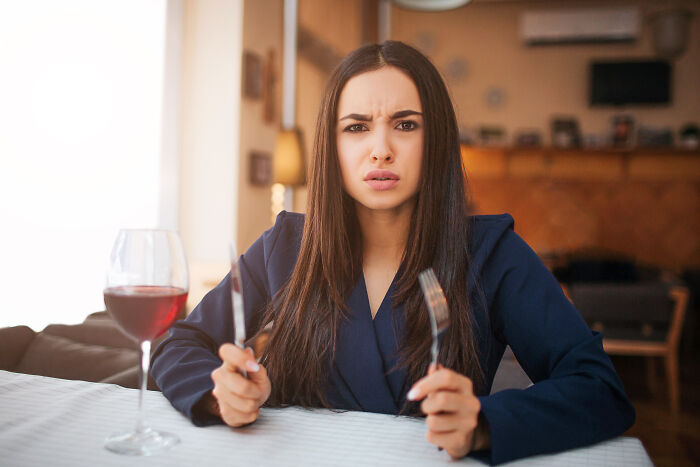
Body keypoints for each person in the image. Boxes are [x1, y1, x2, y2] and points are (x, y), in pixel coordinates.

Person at [151, 41, 634, 464]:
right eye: (357, 128)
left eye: (405, 125)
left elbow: (599, 387)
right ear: (331, 147)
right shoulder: (286, 244)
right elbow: (177, 344)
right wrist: (219, 393)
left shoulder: (492, 253)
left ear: (437, 141)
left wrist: (484, 421)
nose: (380, 149)